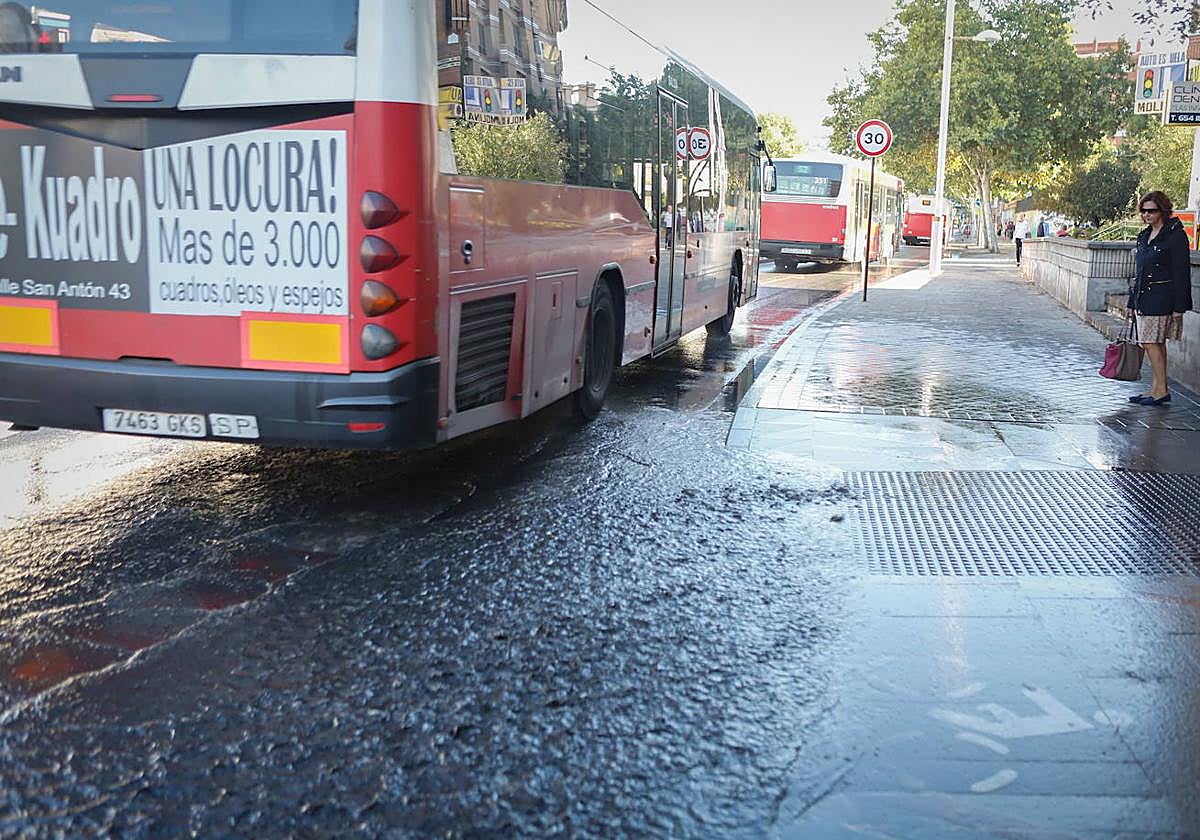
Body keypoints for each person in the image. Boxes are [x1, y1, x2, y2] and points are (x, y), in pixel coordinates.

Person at [1128, 190, 1193, 406]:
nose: (1147, 215)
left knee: (1150, 342)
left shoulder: (1175, 236)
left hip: (1162, 297)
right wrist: (1131, 301)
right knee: (1155, 343)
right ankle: (1157, 387)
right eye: (1144, 211)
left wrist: (1179, 306)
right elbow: (1139, 271)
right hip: (1144, 296)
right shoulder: (1144, 236)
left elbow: (1181, 272)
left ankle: (1161, 389)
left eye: (1151, 211)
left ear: (1162, 210)